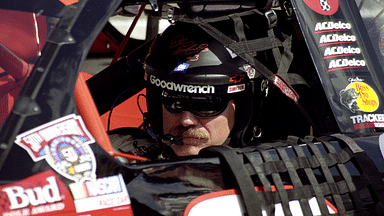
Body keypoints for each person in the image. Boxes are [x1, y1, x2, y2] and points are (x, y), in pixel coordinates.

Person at [109, 12, 286, 159]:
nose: (186, 120)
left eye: (206, 104)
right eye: (174, 101)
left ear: (243, 109)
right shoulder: (117, 154)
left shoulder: (281, 172)